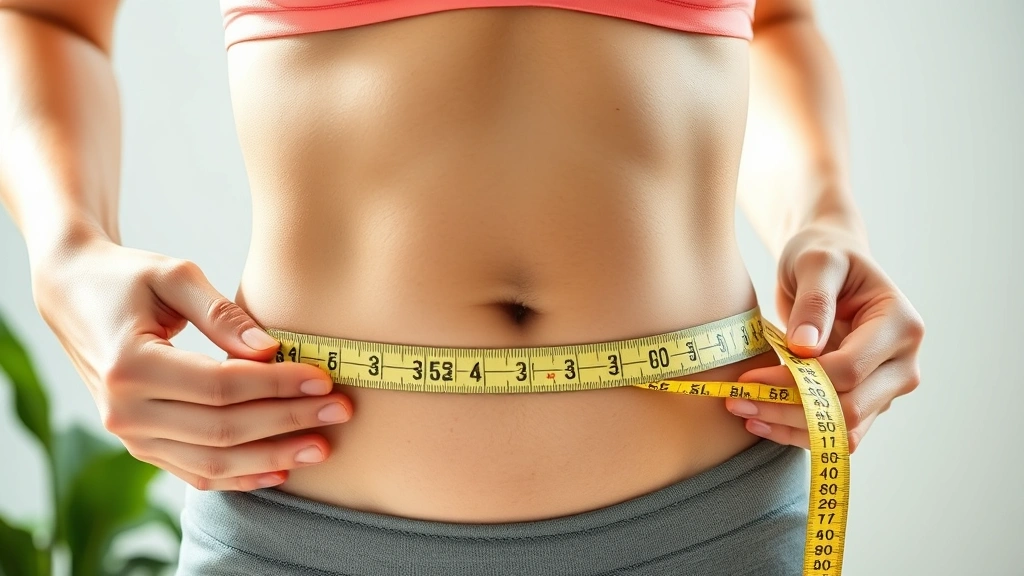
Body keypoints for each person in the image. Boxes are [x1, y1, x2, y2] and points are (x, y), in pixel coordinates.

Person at [0, 0, 924, 574]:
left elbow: (778, 20)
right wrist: (69, 254)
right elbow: (47, 17)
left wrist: (825, 213)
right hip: (296, 529)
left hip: (711, 524)